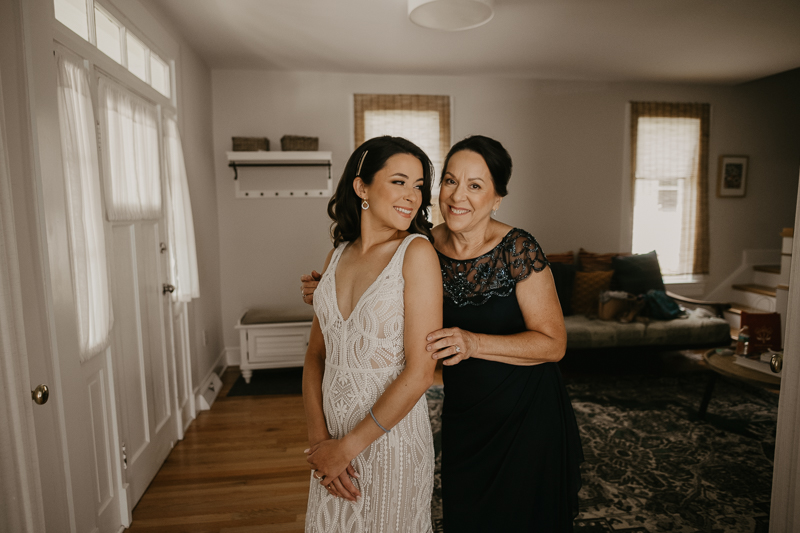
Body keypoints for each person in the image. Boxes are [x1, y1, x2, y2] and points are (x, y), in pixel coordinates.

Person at [302, 135, 583, 531]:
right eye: (450, 181)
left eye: (475, 185)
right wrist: (328, 287)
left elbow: (554, 344)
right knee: (465, 514)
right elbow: (381, 283)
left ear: (497, 198)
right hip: (465, 408)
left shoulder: (517, 248)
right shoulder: (424, 244)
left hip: (524, 410)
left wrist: (472, 342)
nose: (457, 196)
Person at [302, 136, 443, 533]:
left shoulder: (416, 253)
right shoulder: (336, 255)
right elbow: (315, 355)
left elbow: (420, 372)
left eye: (418, 185)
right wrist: (321, 446)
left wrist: (346, 448)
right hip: (331, 442)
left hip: (390, 442)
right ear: (361, 186)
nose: (412, 196)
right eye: (399, 181)